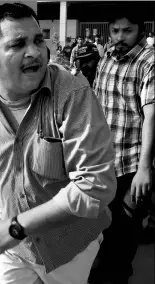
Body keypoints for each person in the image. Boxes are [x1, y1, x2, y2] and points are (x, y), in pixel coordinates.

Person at [0, 3, 117, 284]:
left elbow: (95, 185)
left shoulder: (72, 94)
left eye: (37, 40)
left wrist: (16, 227)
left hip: (70, 245)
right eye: (18, 44)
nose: (34, 52)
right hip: (14, 248)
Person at [91, 7, 154, 284]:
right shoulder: (107, 59)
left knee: (124, 235)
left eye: (127, 30)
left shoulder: (148, 62)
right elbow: (96, 106)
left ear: (141, 31)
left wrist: (144, 170)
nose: (120, 36)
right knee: (103, 230)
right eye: (115, 30)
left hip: (132, 166)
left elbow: (153, 117)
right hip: (104, 162)